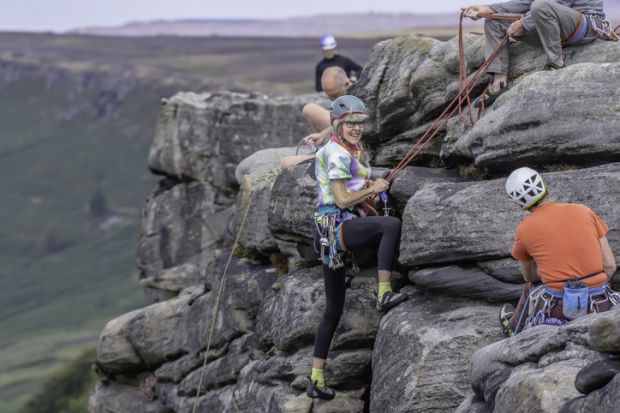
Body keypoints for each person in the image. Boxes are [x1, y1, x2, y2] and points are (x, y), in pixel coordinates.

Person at [306, 95, 408, 400]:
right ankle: (384, 292)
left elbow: (349, 192)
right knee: (390, 226)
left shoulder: (348, 150)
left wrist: (367, 190)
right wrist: (373, 189)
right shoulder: (336, 153)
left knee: (333, 310)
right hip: (337, 227)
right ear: (337, 124)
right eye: (350, 122)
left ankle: (315, 377)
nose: (357, 128)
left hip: (328, 234)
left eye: (360, 122)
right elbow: (339, 199)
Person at [499, 167, 618, 336]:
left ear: (518, 202)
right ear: (544, 187)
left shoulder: (524, 229)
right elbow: (610, 266)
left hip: (558, 309)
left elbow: (530, 277)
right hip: (600, 304)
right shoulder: (584, 210)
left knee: (531, 288)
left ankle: (513, 329)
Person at [463, 0, 608, 107]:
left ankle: (556, 63)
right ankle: (498, 83)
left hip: (583, 27)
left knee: (540, 5)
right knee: (495, 22)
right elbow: (526, 2)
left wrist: (524, 23)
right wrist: (488, 8)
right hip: (554, 26)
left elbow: (557, 3)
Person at [280, 67, 351, 169]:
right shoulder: (345, 98)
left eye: (335, 95)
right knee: (309, 109)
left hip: (344, 152)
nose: (333, 100)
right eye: (329, 96)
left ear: (347, 84)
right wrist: (322, 135)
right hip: (339, 135)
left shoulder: (357, 102)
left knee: (286, 163)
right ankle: (320, 147)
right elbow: (342, 122)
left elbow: (349, 125)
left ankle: (319, 153)